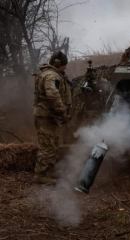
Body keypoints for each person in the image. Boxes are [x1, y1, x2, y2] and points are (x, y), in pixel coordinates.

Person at [33, 51, 72, 185]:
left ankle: (48, 171)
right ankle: (40, 175)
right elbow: (53, 95)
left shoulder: (53, 74)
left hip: (50, 115)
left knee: (53, 144)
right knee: (47, 146)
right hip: (46, 115)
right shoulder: (51, 76)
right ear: (57, 64)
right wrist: (63, 112)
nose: (65, 68)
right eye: (64, 65)